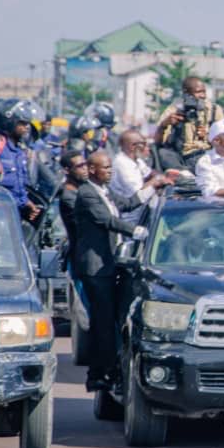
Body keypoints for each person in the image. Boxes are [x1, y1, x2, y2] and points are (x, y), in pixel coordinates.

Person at [74, 151, 150, 392]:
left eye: (110, 167)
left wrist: (153, 186)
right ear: (92, 169)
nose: (110, 171)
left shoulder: (105, 190)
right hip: (96, 267)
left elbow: (127, 204)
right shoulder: (87, 193)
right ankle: (101, 374)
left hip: (109, 264)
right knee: (103, 321)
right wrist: (137, 232)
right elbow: (106, 220)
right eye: (105, 168)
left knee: (109, 321)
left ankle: (105, 369)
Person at [0, 99, 41, 222]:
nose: (26, 127)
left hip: (13, 214)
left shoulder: (19, 150)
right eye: (22, 123)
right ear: (10, 122)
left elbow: (19, 186)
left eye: (27, 123)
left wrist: (26, 202)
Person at [156, 76, 224, 171]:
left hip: (205, 154)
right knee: (163, 153)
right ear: (186, 93)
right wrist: (165, 124)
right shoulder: (175, 108)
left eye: (204, 92)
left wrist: (209, 135)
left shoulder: (214, 110)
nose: (203, 96)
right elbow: (158, 140)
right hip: (181, 155)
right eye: (198, 92)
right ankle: (183, 174)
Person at [110, 130, 169, 221]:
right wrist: (157, 180)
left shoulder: (136, 160)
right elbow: (139, 194)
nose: (147, 148)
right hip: (129, 218)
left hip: (142, 214)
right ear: (132, 146)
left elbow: (150, 173)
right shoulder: (122, 164)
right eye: (144, 144)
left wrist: (165, 175)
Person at [58, 150, 89, 274]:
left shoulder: (84, 189)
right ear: (67, 170)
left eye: (85, 164)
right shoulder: (68, 197)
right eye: (80, 166)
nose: (85, 169)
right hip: (81, 258)